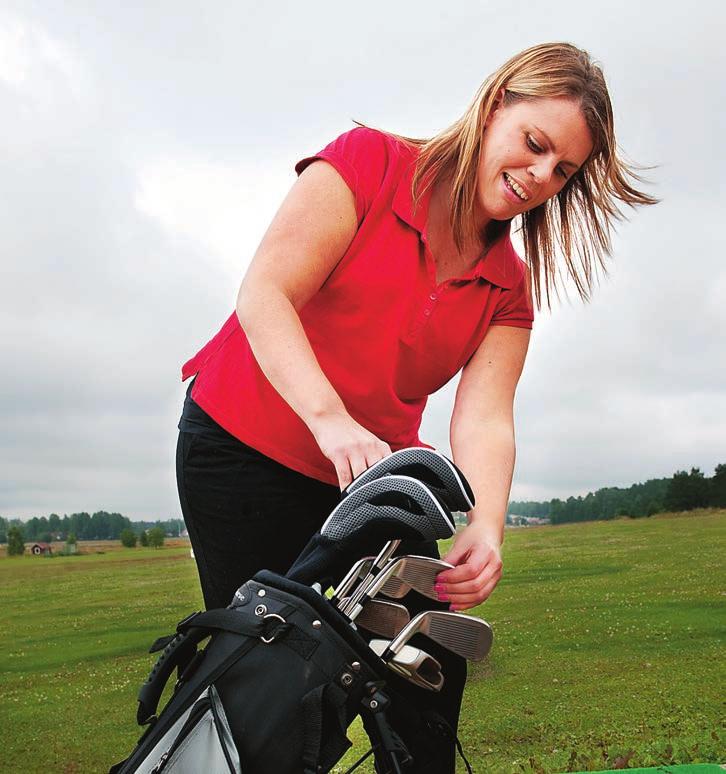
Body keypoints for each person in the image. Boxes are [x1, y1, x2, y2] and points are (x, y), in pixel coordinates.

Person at [176, 42, 656, 772]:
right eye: (534, 146)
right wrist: (329, 418)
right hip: (243, 445)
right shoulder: (367, 163)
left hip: (363, 483)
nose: (539, 178)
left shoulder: (507, 286)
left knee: (429, 663)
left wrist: (487, 524)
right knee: (255, 669)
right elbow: (265, 294)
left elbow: (485, 416)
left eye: (562, 171)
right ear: (496, 106)